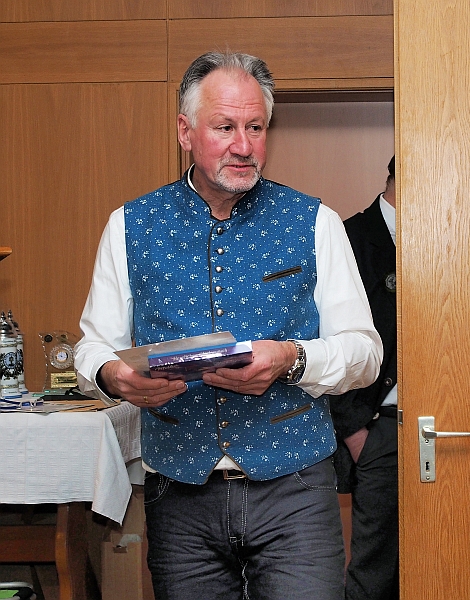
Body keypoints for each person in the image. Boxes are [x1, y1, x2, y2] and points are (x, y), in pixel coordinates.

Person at [74, 51, 383, 600]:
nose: (244, 146)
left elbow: (365, 352)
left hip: (295, 490)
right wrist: (111, 376)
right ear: (185, 132)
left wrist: (293, 359)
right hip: (179, 495)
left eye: (256, 128)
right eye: (225, 128)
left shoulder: (315, 222)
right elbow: (93, 345)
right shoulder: (130, 226)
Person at [331, 156, 399, 600]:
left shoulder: (446, 233)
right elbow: (327, 343)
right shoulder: (349, 239)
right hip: (377, 430)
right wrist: (357, 435)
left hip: (443, 426)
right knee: (374, 576)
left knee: (443, 560)